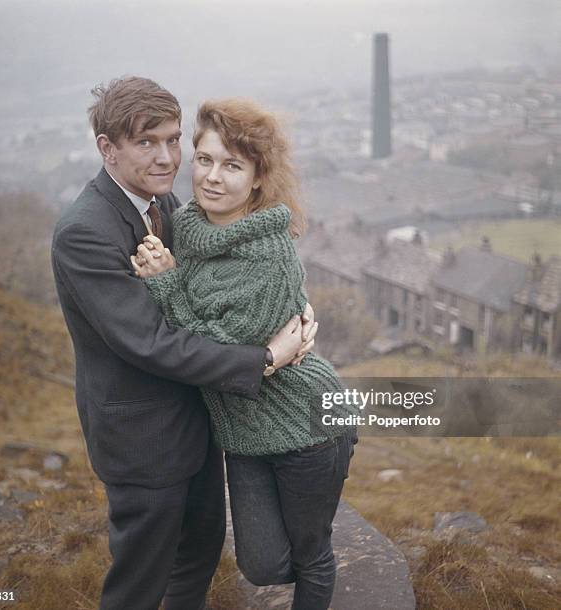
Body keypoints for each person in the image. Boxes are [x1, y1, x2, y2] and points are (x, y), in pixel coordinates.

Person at [51, 77, 317, 610]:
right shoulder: (85, 231)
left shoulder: (163, 202)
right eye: (147, 142)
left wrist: (294, 303)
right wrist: (264, 358)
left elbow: (217, 278)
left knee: (196, 559)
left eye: (174, 140)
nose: (167, 156)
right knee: (139, 583)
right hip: (143, 442)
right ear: (108, 148)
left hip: (196, 423)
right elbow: (151, 343)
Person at [132, 98, 357, 610]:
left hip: (308, 426)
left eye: (232, 165)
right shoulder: (190, 226)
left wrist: (166, 286)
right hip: (245, 432)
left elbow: (216, 352)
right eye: (205, 160)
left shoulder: (269, 256)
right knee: (260, 565)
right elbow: (211, 323)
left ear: (258, 178)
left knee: (310, 555)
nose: (213, 177)